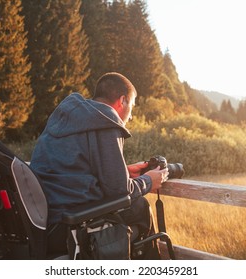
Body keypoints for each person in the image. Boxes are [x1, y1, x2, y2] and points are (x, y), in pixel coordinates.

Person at [30, 72, 169, 258]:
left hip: (43, 222)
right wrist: (149, 181)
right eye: (132, 107)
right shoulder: (107, 120)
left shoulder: (66, 117)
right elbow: (119, 191)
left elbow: (70, 168)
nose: (131, 116)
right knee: (140, 207)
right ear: (122, 101)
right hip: (68, 225)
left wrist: (123, 171)